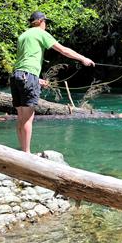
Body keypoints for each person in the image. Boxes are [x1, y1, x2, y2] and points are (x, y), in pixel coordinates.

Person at [10, 11, 95, 153]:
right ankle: (26, 154)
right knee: (28, 119)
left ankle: (22, 150)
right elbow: (63, 50)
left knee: (20, 117)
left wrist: (36, 80)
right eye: (45, 22)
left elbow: (23, 61)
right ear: (41, 21)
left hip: (16, 76)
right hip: (28, 76)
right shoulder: (40, 33)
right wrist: (83, 59)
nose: (46, 25)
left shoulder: (23, 35)